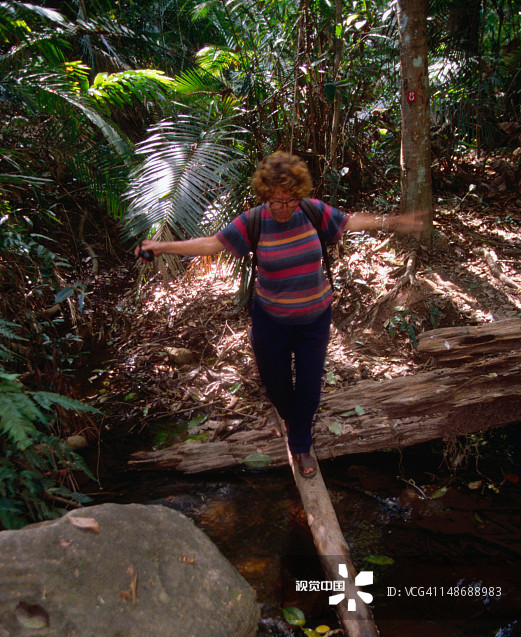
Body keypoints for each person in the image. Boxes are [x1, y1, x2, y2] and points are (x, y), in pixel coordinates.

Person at [135, 151, 424, 478]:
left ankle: (300, 445)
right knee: (275, 385)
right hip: (271, 319)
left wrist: (394, 222)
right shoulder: (254, 221)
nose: (284, 207)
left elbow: (350, 221)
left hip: (314, 319)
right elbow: (211, 244)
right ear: (265, 196)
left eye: (290, 200)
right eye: (276, 201)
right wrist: (161, 247)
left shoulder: (312, 211)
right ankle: (290, 417)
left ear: (299, 194)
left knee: (309, 386)